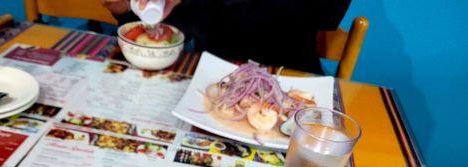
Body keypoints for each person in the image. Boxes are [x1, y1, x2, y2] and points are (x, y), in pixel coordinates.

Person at [101, 0, 351, 74]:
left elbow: (326, 13)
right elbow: (178, 23)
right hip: (205, 77)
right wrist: (130, 9)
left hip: (290, 76)